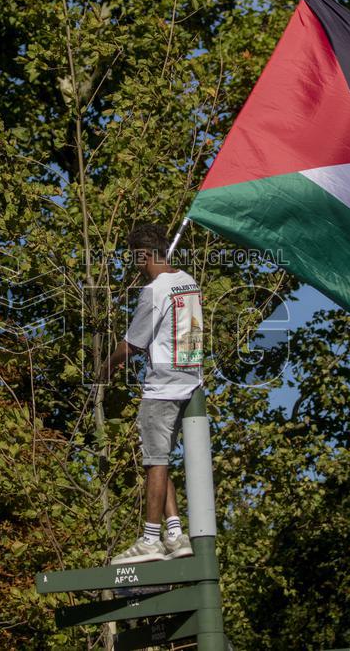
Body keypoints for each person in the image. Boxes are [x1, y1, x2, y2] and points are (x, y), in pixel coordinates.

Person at [98, 224, 204, 565]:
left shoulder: (154, 291)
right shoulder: (188, 280)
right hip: (190, 376)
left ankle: (150, 539)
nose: (135, 265)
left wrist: (105, 367)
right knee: (159, 456)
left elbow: (132, 344)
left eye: (134, 258)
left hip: (163, 384)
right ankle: (175, 534)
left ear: (144, 255)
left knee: (154, 462)